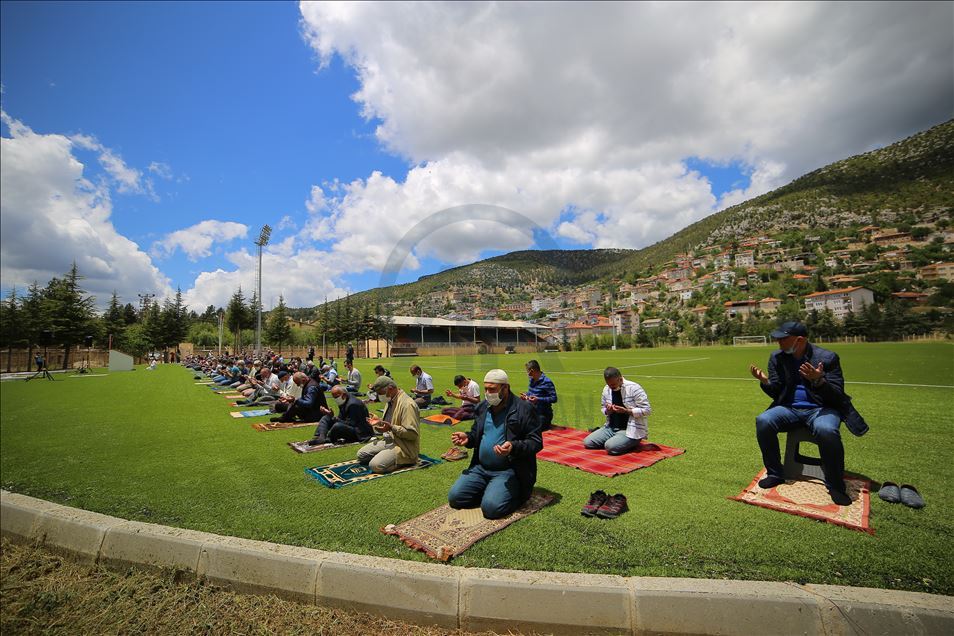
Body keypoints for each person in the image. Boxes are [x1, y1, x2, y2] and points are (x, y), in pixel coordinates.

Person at [749, 321, 868, 506]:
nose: (778, 342)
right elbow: (777, 392)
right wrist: (765, 382)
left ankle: (835, 485)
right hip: (789, 408)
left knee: (826, 430)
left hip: (822, 408)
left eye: (783, 338)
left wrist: (818, 380)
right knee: (763, 420)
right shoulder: (776, 358)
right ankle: (775, 473)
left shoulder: (827, 358)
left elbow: (837, 395)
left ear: (800, 340)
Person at [447, 369, 543, 519]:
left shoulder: (524, 409)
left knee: (491, 509)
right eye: (485, 388)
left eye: (492, 389)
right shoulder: (482, 407)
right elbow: (475, 433)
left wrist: (513, 447)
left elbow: (536, 442)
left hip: (508, 470)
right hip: (480, 468)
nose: (487, 393)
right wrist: (468, 438)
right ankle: (491, 490)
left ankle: (518, 493)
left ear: (505, 388)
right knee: (455, 498)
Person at [357, 376, 420, 474]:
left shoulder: (407, 404)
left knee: (375, 465)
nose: (379, 397)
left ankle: (407, 460)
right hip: (389, 440)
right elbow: (390, 423)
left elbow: (412, 434)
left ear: (390, 389)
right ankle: (387, 457)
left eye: (380, 394)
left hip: (403, 446)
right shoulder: (390, 399)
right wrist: (379, 422)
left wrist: (391, 427)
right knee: (361, 455)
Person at [584, 367, 651, 455]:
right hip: (610, 427)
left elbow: (647, 410)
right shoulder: (606, 389)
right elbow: (603, 408)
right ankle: (618, 441)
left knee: (610, 447)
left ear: (620, 378)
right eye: (609, 384)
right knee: (588, 443)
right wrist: (609, 410)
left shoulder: (634, 388)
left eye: (613, 384)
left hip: (630, 429)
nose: (611, 387)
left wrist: (626, 411)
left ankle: (632, 441)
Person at [307, 385, 373, 446]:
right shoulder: (344, 400)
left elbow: (351, 423)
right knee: (326, 418)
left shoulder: (353, 404)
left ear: (344, 395)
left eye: (336, 397)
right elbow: (341, 418)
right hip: (350, 425)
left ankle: (328, 438)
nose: (335, 399)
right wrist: (331, 416)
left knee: (337, 426)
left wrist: (334, 418)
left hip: (359, 432)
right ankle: (321, 437)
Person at [520, 359, 558, 430]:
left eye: (527, 371)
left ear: (532, 371)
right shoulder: (532, 380)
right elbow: (531, 394)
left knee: (530, 429)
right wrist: (526, 395)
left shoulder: (547, 382)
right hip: (532, 413)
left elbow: (554, 398)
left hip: (543, 415)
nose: (527, 373)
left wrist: (538, 399)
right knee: (518, 424)